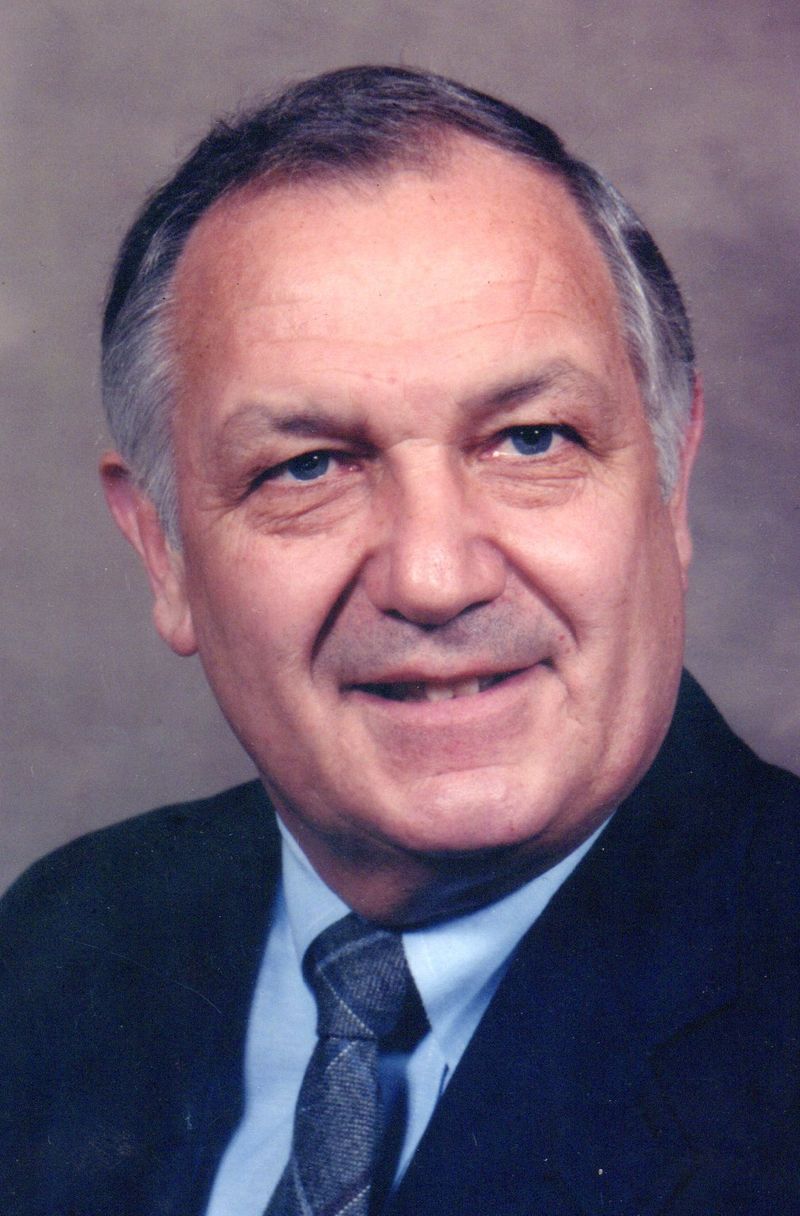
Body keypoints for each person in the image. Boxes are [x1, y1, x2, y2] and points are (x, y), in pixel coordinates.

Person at [1, 65, 797, 1216]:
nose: (433, 577)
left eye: (529, 440)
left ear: (669, 480)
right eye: (307, 467)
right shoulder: (59, 944)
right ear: (163, 549)